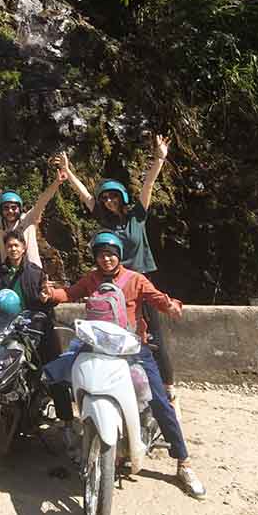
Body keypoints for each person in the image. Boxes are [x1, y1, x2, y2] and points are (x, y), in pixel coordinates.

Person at [42, 231, 206, 499]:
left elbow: (158, 299)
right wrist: (51, 295)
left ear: (118, 256)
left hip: (132, 349)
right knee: (57, 372)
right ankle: (71, 429)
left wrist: (173, 306)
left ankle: (183, 461)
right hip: (96, 344)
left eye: (110, 254)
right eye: (100, 255)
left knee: (160, 402)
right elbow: (70, 293)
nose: (106, 259)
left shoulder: (136, 279)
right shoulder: (91, 279)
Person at [60, 138, 177, 395]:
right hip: (113, 282)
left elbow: (148, 184)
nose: (109, 202)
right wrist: (68, 173)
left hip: (139, 281)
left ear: (121, 196)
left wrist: (159, 158)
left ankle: (167, 388)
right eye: (105, 199)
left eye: (113, 197)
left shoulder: (137, 214)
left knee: (154, 334)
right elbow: (85, 195)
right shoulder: (104, 219)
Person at [0, 229, 60, 364]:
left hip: (31, 328)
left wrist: (46, 298)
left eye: (16, 245)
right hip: (6, 327)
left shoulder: (35, 273)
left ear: (23, 247)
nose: (13, 249)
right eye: (9, 246)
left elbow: (46, 301)